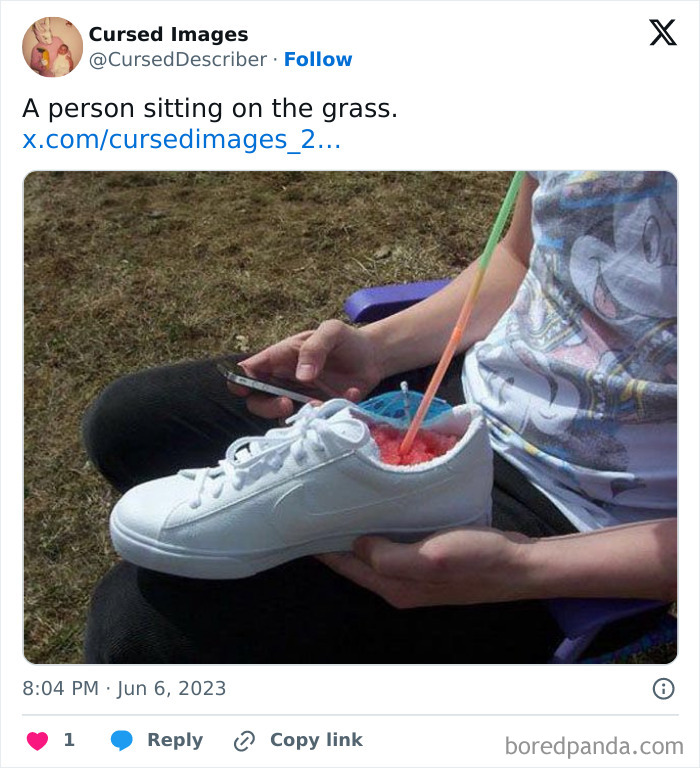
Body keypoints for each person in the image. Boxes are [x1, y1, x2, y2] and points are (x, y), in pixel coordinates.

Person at [83, 172, 676, 663]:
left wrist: (522, 569)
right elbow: (519, 258)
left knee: (138, 631)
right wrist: (379, 351)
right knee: (131, 422)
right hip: (460, 394)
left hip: (586, 514)